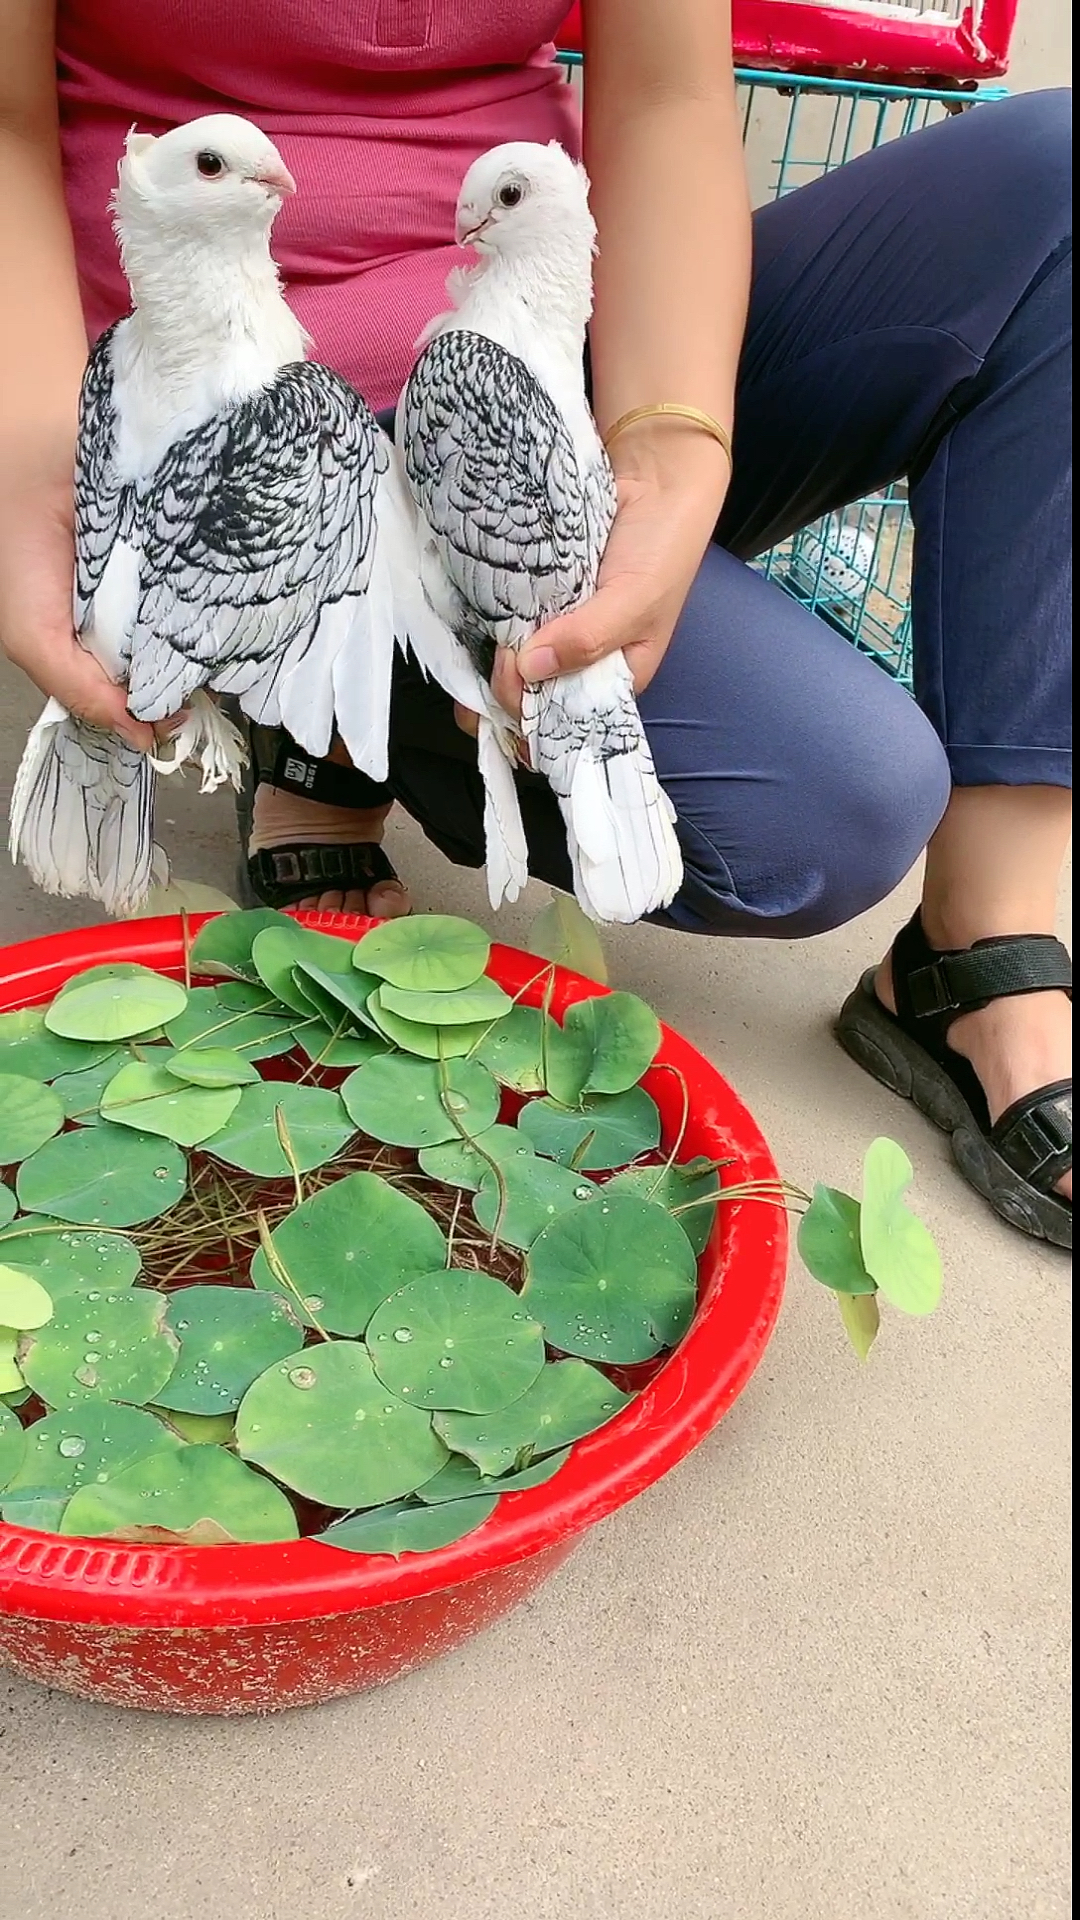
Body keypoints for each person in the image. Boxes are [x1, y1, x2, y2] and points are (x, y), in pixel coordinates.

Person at [0, 2, 1070, 1244]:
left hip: (549, 340)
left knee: (1054, 184)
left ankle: (977, 951)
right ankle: (320, 725)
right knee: (828, 809)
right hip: (250, 423)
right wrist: (38, 466)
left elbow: (664, 96)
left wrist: (670, 441)